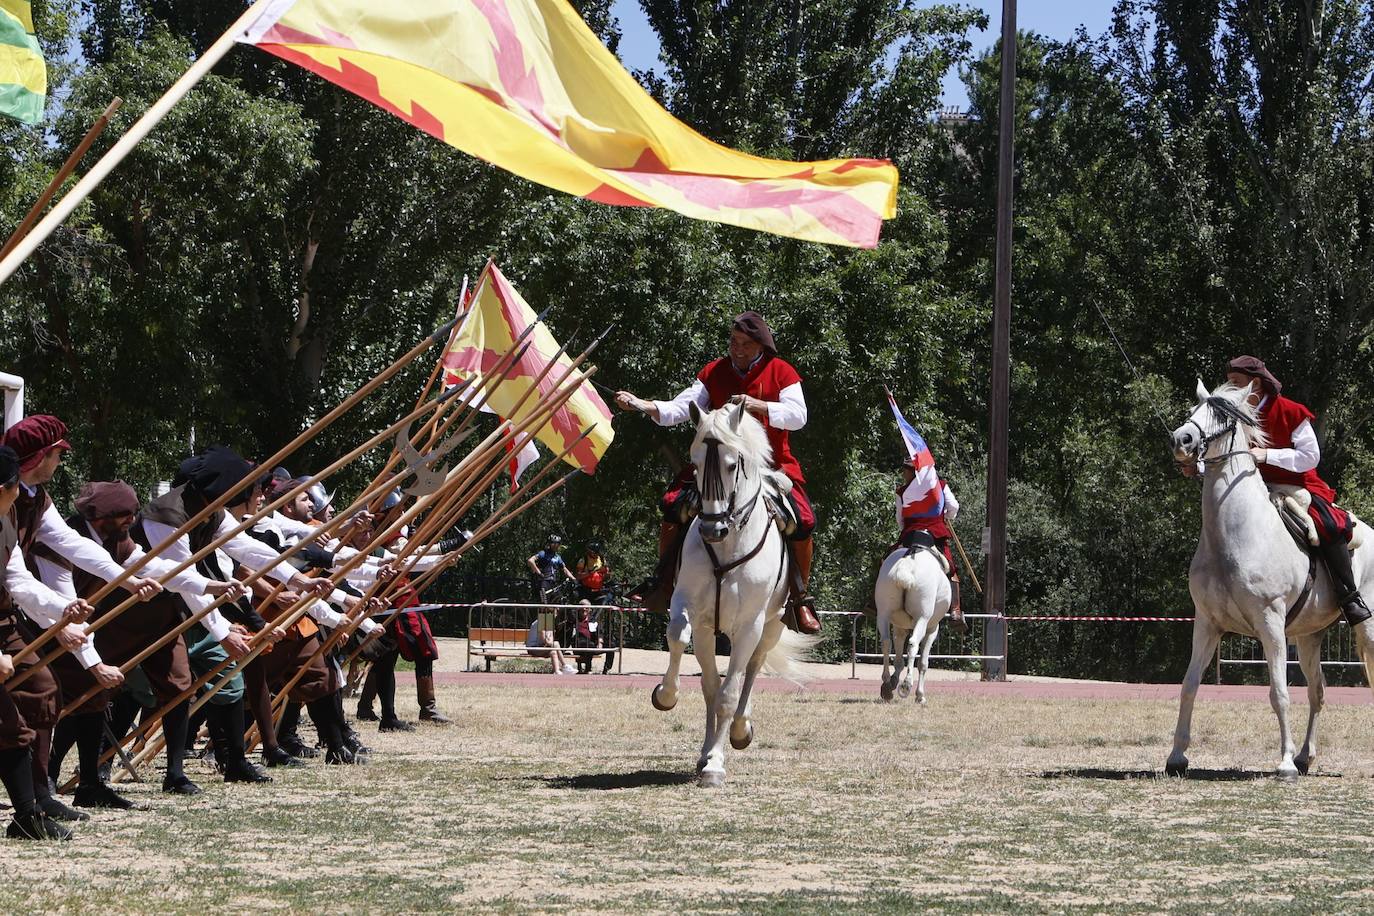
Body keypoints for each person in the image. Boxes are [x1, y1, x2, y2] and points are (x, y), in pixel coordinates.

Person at [615, 310, 821, 633]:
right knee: (673, 503)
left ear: (761, 347)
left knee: (804, 519)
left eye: (744, 344)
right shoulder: (715, 371)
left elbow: (799, 415)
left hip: (770, 467)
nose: (736, 349)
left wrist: (758, 405)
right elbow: (683, 407)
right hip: (720, 468)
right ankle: (663, 583)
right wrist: (644, 405)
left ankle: (799, 599)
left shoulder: (782, 372)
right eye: (733, 342)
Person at [1218, 356, 1371, 626]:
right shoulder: (1231, 418)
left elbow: (1310, 457)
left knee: (1330, 525)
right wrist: (1199, 468)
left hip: (1300, 487)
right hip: (1254, 488)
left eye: (1235, 383)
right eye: (1228, 383)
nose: (1229, 389)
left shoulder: (1290, 410)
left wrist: (1267, 455)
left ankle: (1349, 597)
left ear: (1255, 383)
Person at [0, 445, 92, 840]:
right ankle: (28, 815)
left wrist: (63, 608)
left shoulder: (5, 519)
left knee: (39, 690)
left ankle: (31, 809)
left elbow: (17, 579)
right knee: (9, 727)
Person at [893, 460, 966, 635]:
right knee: (951, 568)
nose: (904, 474)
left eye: (907, 471)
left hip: (910, 534)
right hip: (935, 533)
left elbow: (900, 519)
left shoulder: (902, 492)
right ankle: (955, 610)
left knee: (886, 559)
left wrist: (909, 528)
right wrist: (946, 517)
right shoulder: (940, 485)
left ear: (914, 472)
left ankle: (874, 602)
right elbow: (954, 506)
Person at [527, 534, 575, 604]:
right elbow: (530, 561)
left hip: (554, 583)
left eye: (558, 543)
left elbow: (564, 569)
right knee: (544, 604)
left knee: (559, 602)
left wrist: (574, 579)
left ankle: (555, 615)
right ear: (549, 544)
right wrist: (539, 573)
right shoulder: (543, 553)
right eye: (553, 543)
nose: (555, 545)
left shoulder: (557, 557)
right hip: (544, 582)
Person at [574, 541, 612, 605]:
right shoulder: (583, 560)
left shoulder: (602, 559)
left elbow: (607, 573)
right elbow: (577, 576)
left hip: (598, 591)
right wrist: (589, 573)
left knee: (601, 606)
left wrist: (607, 575)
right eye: (594, 552)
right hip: (586, 591)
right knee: (585, 607)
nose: (596, 554)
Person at [570, 600, 603, 674]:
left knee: (612, 645)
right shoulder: (574, 619)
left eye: (587, 608)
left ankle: (606, 670)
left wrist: (600, 642)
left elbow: (599, 632)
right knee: (590, 645)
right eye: (582, 607)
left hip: (592, 643)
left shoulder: (593, 620)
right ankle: (588, 669)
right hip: (579, 643)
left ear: (590, 610)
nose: (584, 609)